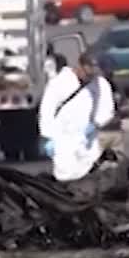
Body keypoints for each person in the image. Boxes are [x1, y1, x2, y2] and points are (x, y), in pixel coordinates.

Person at [38, 52, 115, 182]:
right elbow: (47, 110)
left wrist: (96, 124)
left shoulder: (101, 84)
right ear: (80, 66)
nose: (91, 76)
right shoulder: (59, 82)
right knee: (66, 176)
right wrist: (47, 136)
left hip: (88, 138)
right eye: (89, 71)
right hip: (62, 138)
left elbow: (107, 108)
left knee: (90, 175)